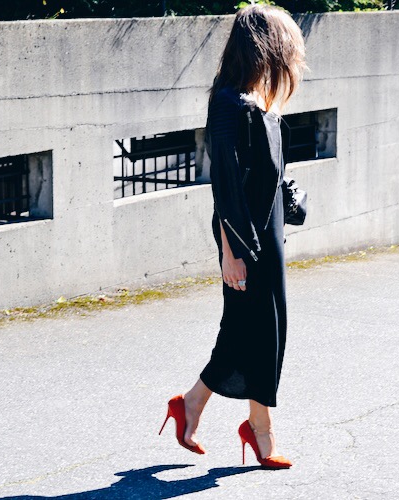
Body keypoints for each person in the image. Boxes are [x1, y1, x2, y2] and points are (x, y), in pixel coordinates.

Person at [158, 4, 308, 470]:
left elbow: (273, 177)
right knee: (254, 329)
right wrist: (231, 252)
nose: (293, 60)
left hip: (271, 234)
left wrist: (294, 198)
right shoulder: (226, 104)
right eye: (288, 47)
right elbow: (223, 183)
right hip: (243, 240)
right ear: (266, 47)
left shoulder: (260, 105)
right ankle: (257, 430)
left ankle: (194, 406)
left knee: (260, 330)